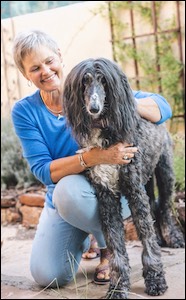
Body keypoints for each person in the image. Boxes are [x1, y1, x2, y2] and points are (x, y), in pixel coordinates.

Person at [11, 29, 172, 288]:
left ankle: (108, 250)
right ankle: (89, 235)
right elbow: (42, 171)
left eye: (49, 61)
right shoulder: (25, 111)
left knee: (86, 195)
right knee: (48, 274)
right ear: (25, 75)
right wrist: (95, 157)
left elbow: (163, 108)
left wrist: (124, 101)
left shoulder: (91, 82)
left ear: (60, 57)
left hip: (113, 191)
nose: (46, 71)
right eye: (35, 68)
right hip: (67, 198)